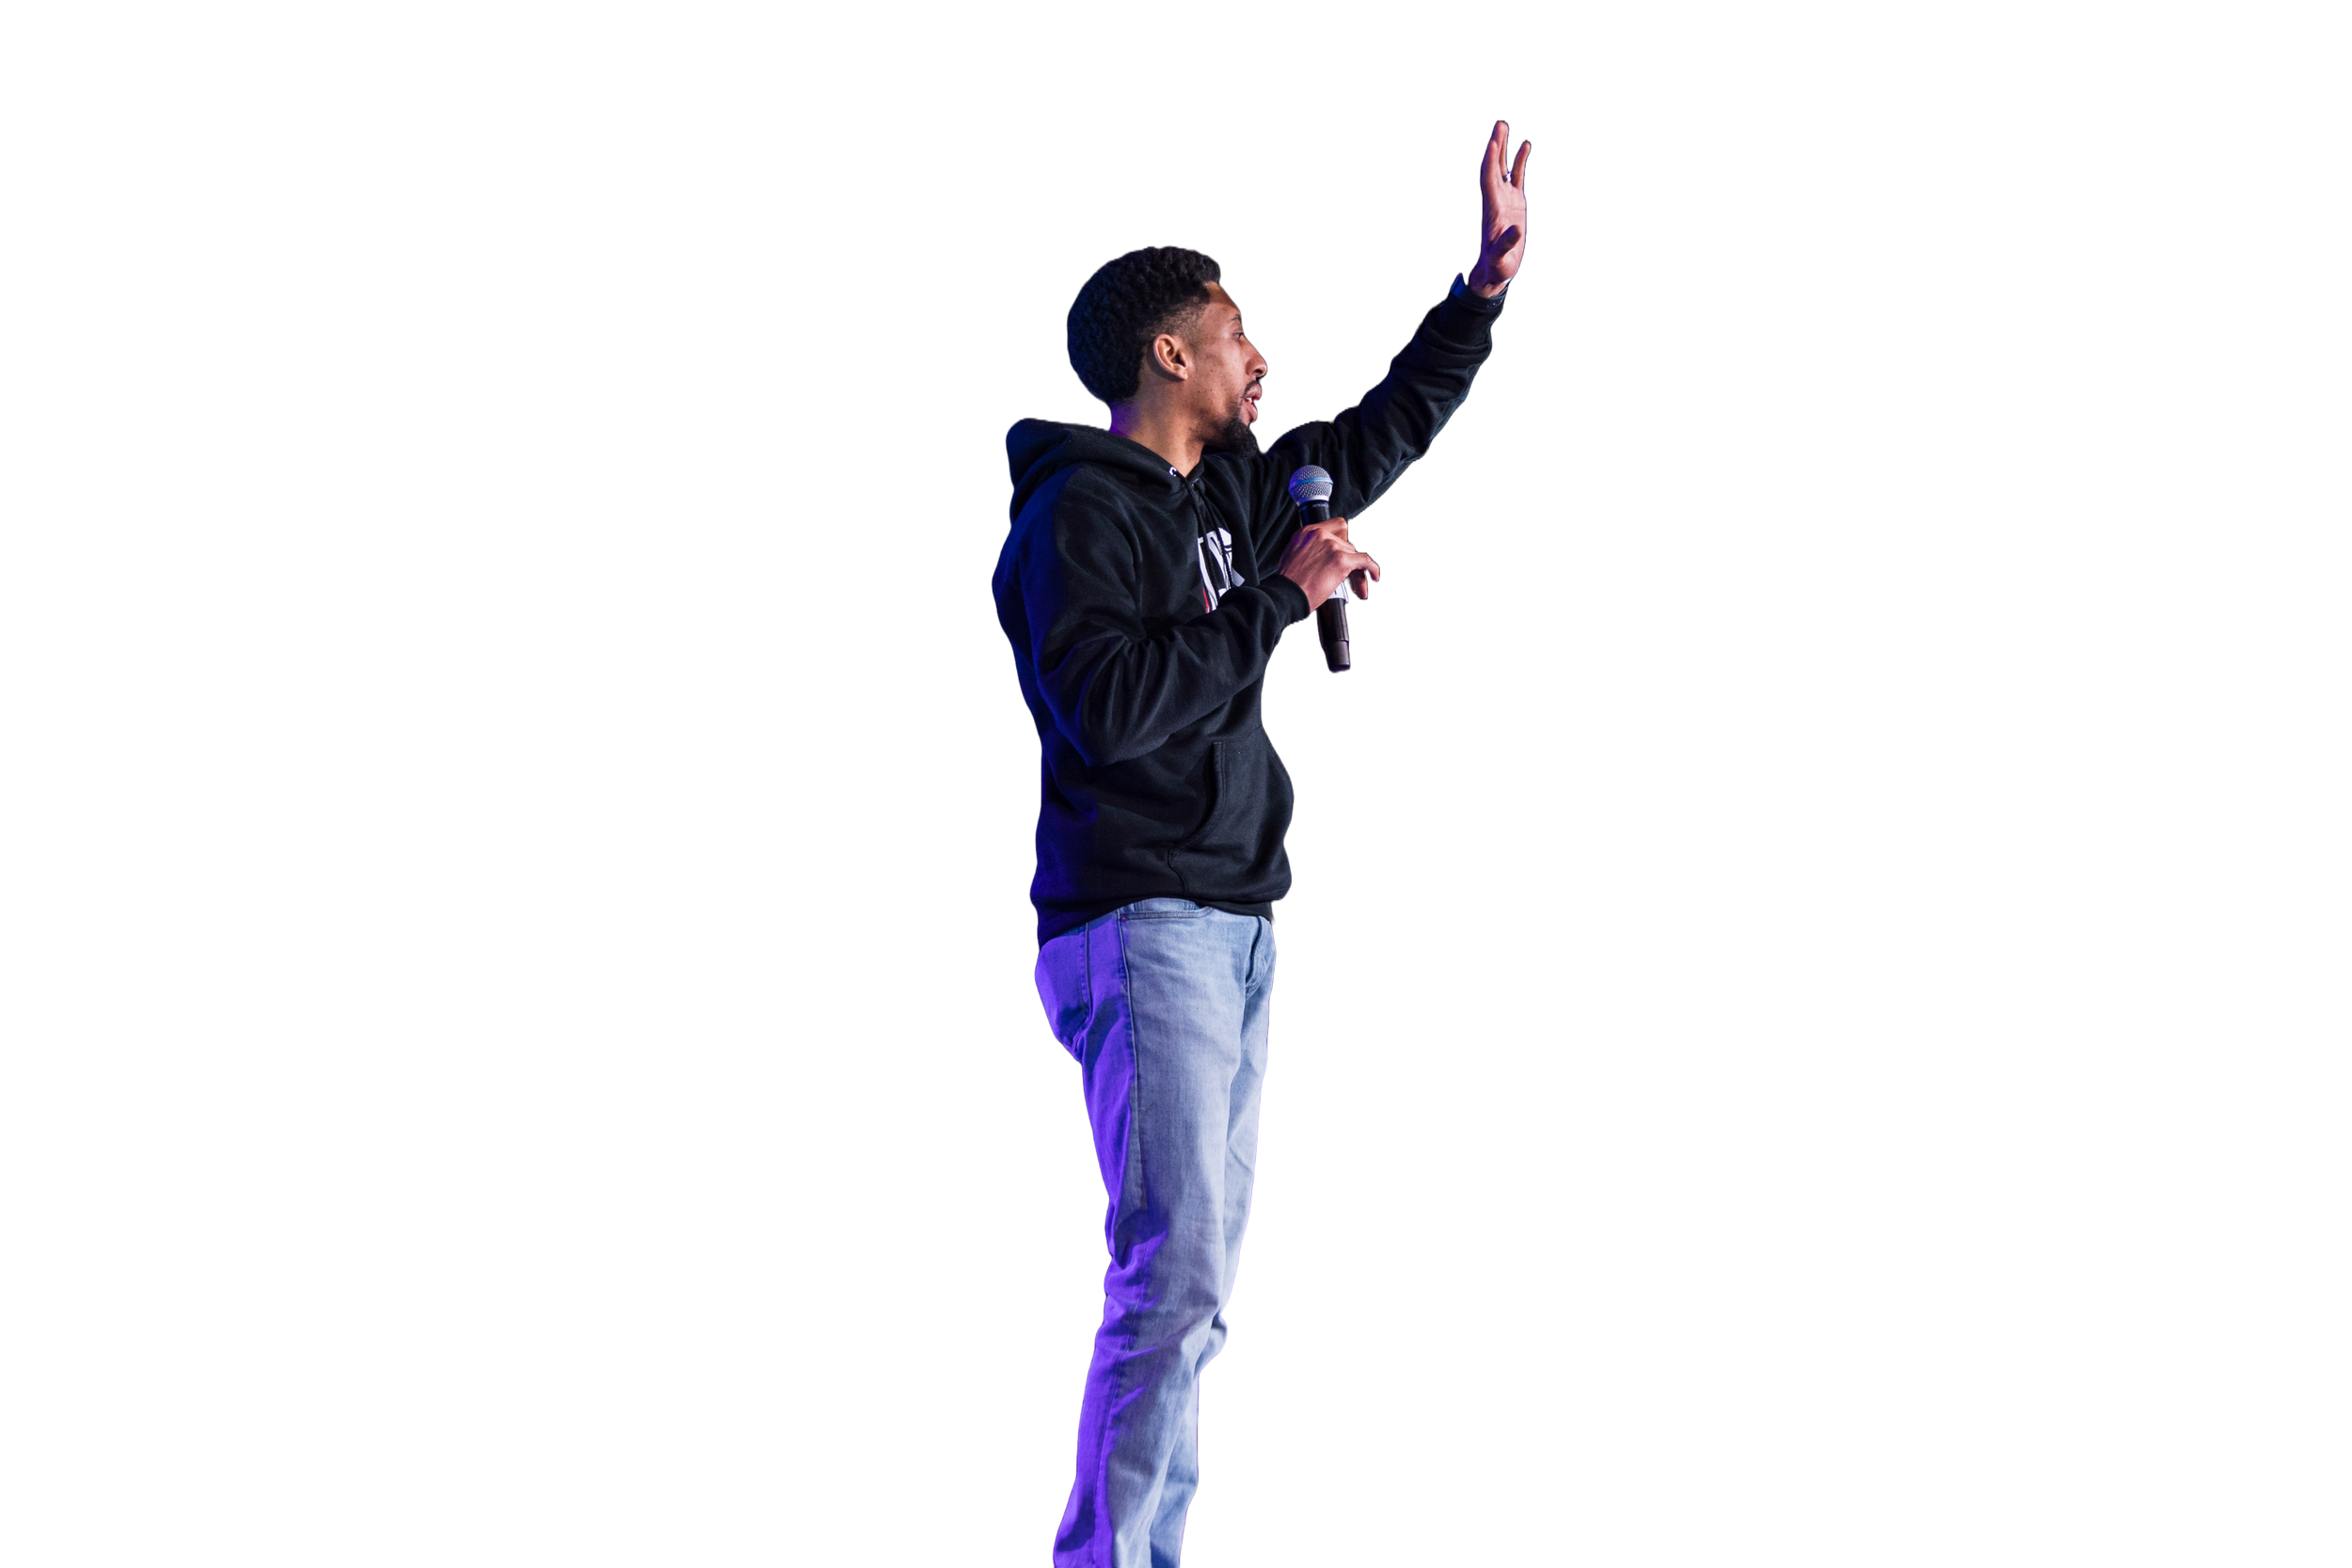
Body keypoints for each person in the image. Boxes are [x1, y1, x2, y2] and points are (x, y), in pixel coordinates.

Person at [998, 121, 1532, 1568]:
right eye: (1238, 338)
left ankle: (1155, 1538)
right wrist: (1282, 607)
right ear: (1170, 356)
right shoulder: (1072, 520)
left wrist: (1480, 291)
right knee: (1169, 1275)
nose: (1262, 363)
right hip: (1140, 914)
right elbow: (1110, 710)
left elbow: (1382, 429)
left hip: (1237, 919)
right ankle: (1112, 1559)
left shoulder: (1234, 496)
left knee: (1205, 1283)